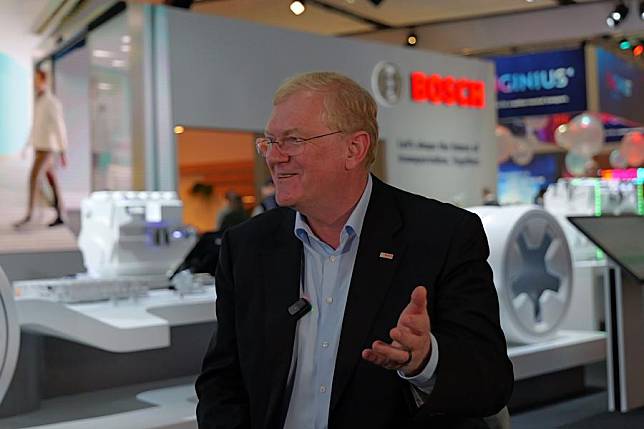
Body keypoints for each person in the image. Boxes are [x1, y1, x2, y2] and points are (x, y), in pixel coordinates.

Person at [196, 72, 513, 429]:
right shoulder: (247, 247)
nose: (274, 157)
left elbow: (491, 383)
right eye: (269, 141)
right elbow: (221, 382)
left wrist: (425, 360)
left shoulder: (443, 236)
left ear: (354, 149)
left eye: (293, 140)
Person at [14, 69, 68, 228]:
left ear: (43, 80)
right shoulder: (39, 101)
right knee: (52, 180)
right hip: (39, 146)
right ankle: (61, 213)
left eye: (36, 79)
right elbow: (35, 127)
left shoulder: (51, 102)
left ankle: (31, 215)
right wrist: (26, 146)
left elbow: (60, 126)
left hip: (47, 148)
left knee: (33, 176)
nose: (34, 83)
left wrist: (64, 150)